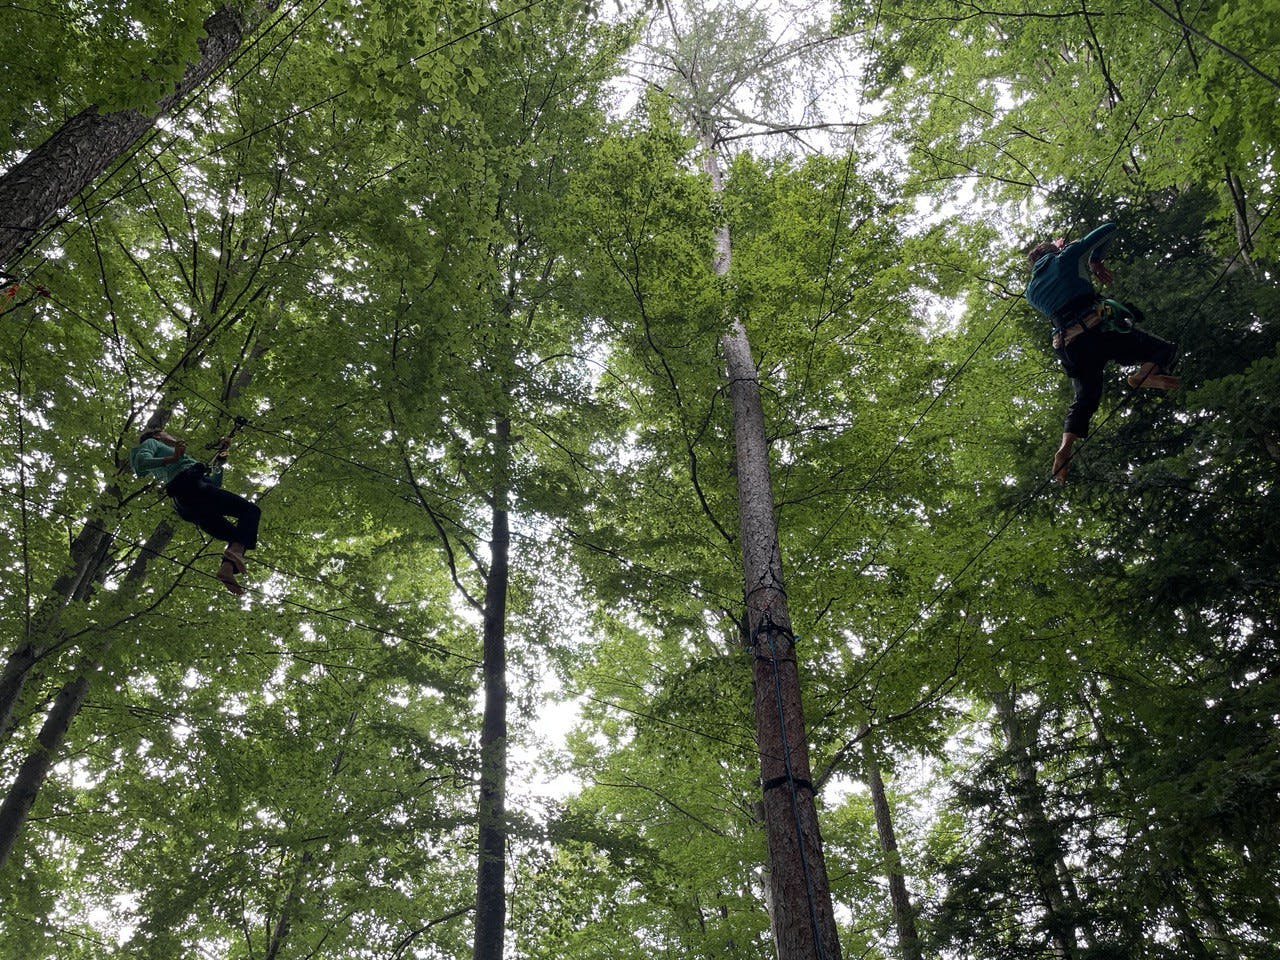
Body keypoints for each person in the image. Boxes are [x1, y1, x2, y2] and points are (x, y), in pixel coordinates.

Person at [1025, 222, 1180, 482]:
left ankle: (1065, 448)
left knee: (1085, 398)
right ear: (1053, 252)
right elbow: (1109, 228)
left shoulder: (1031, 292)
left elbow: (1060, 283)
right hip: (1099, 330)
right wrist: (1093, 258)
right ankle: (1145, 374)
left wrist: (1063, 251)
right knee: (1162, 349)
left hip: (1070, 346)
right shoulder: (1066, 258)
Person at [129, 428, 260, 595]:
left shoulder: (184, 459)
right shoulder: (152, 442)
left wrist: (223, 453)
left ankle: (227, 568)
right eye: (167, 434)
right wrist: (174, 457)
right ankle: (234, 554)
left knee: (239, 535)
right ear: (158, 435)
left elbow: (215, 483)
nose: (172, 436)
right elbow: (141, 462)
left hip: (191, 503)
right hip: (190, 488)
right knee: (250, 511)